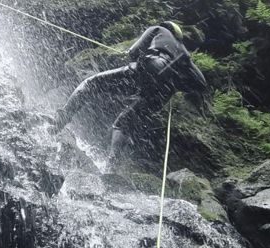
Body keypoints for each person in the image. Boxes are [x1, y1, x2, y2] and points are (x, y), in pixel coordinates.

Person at [49, 21, 207, 169]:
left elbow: (133, 52)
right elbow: (201, 83)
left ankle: (59, 121)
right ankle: (112, 165)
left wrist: (134, 56)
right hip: (163, 92)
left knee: (91, 84)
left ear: (168, 28)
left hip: (150, 68)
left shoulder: (159, 30)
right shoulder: (185, 57)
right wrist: (180, 86)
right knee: (124, 122)